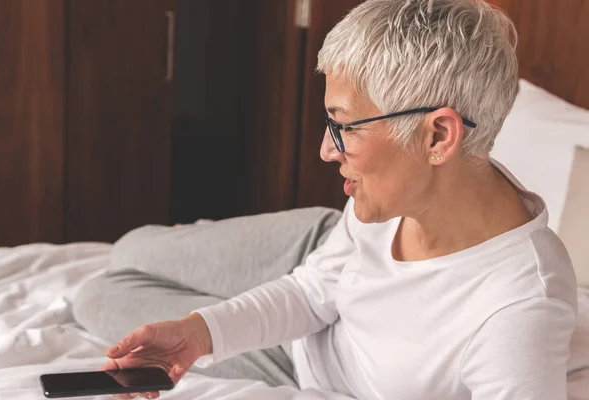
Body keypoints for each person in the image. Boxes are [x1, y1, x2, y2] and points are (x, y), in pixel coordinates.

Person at [95, 0, 577, 398]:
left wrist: (196, 340)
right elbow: (313, 289)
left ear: (437, 137)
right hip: (319, 249)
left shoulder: (518, 309)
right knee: (130, 248)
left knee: (99, 296)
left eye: (344, 125)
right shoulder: (393, 195)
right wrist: (199, 331)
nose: (328, 150)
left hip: (300, 359)